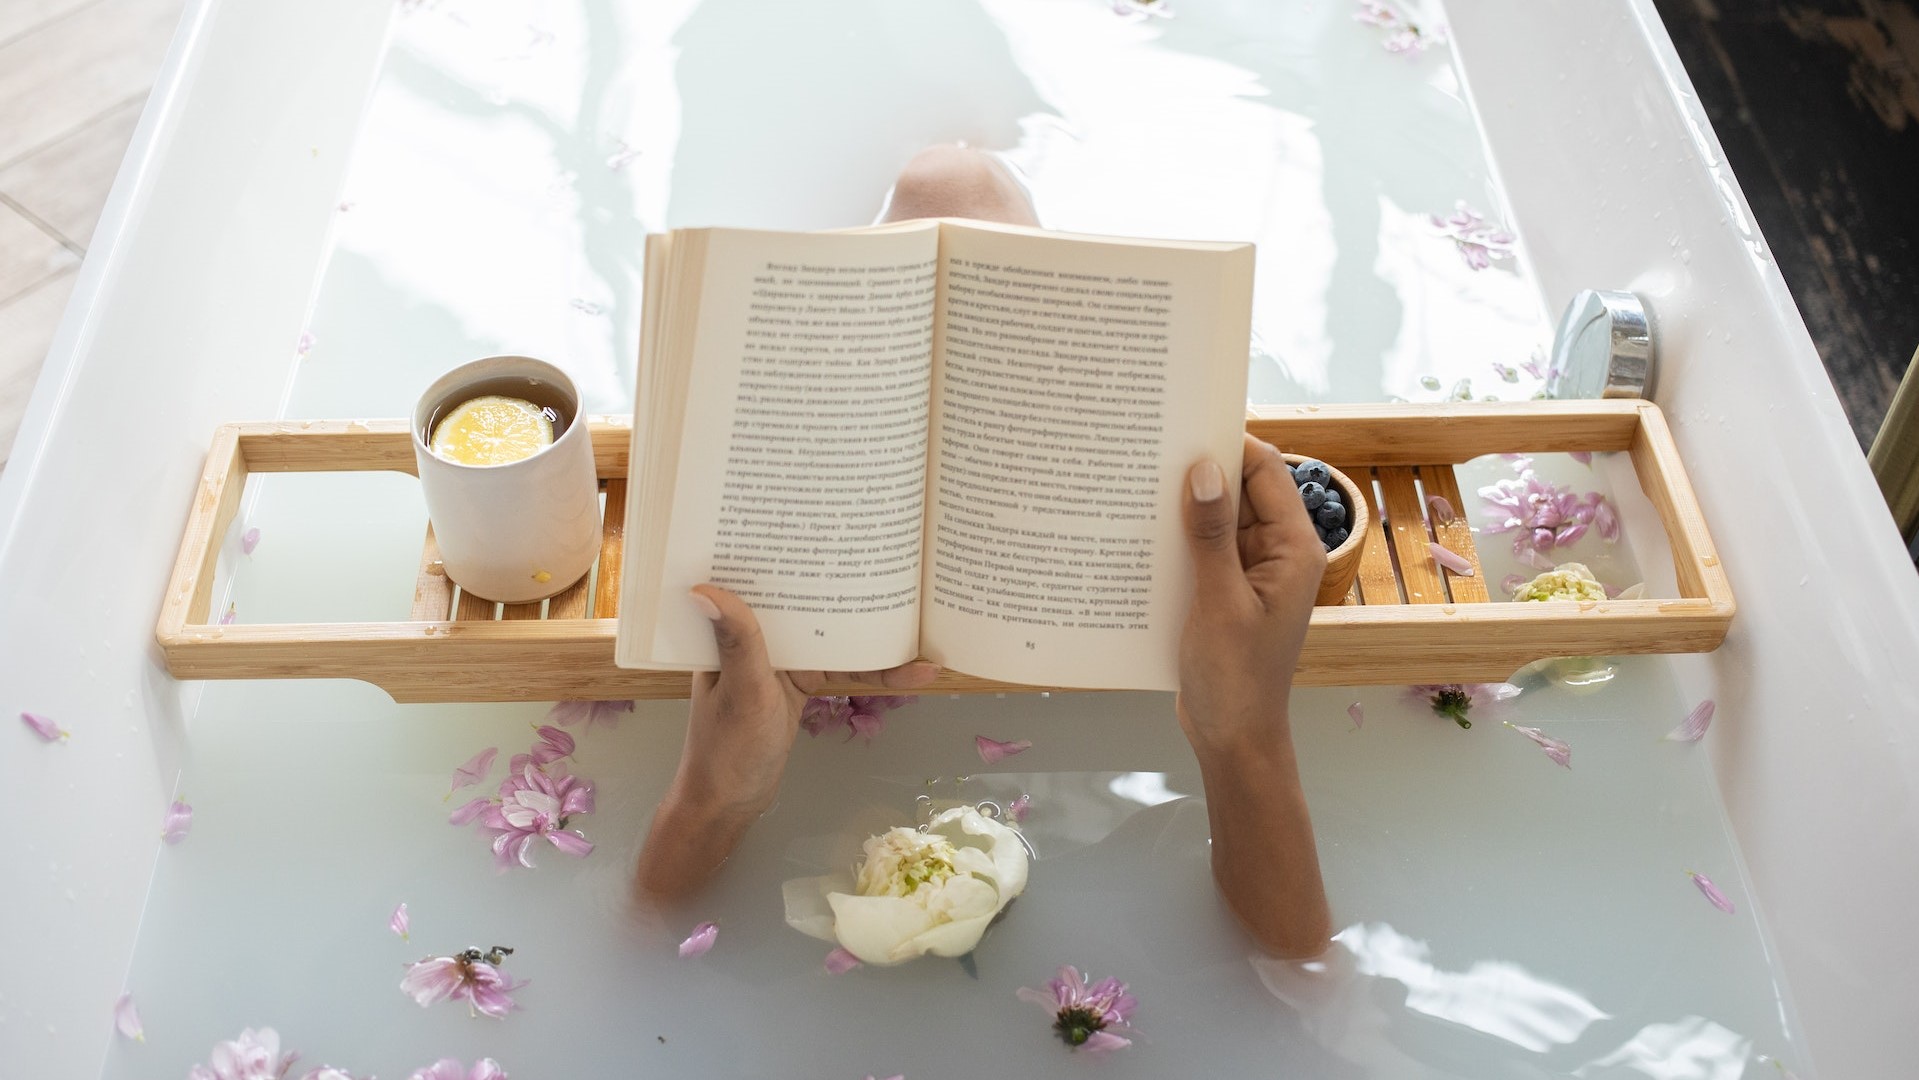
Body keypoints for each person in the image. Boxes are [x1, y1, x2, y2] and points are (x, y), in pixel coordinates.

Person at [634, 147, 1333, 959]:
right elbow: (1296, 976)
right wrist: (717, 793)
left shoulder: (1189, 616)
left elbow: (1297, 993)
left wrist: (1241, 732)